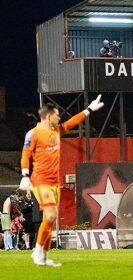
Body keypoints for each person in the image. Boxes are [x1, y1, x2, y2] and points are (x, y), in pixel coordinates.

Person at [19, 95, 104, 266]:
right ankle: (37, 251)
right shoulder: (33, 134)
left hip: (54, 182)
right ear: (48, 116)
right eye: (56, 115)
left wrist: (89, 110)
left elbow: (72, 122)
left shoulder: (56, 131)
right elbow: (25, 154)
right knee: (50, 215)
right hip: (40, 181)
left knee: (50, 219)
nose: (58, 117)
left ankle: (43, 255)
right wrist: (25, 175)